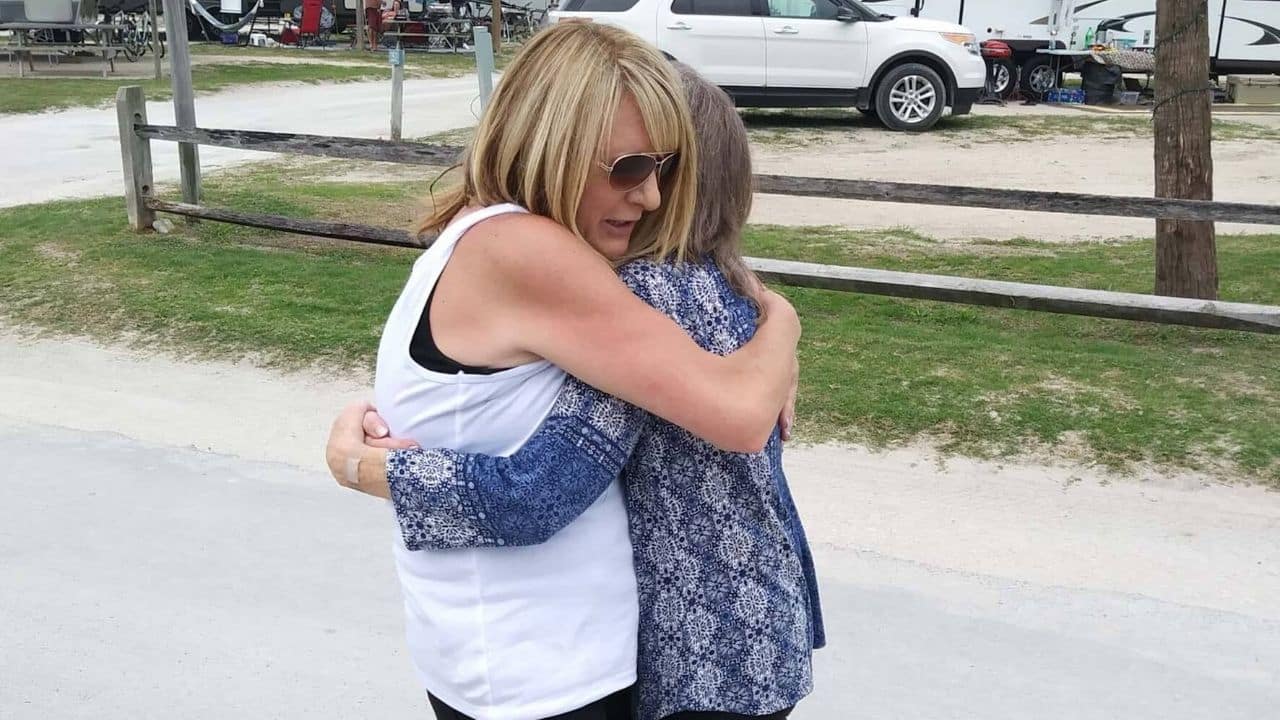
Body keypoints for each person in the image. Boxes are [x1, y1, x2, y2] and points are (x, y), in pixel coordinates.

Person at [325, 22, 801, 720]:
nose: (652, 198)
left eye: (664, 170)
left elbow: (472, 403)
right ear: (554, 143)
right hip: (545, 672)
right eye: (630, 167)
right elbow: (736, 416)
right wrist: (783, 319)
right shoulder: (527, 250)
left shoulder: (476, 229)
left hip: (510, 657)